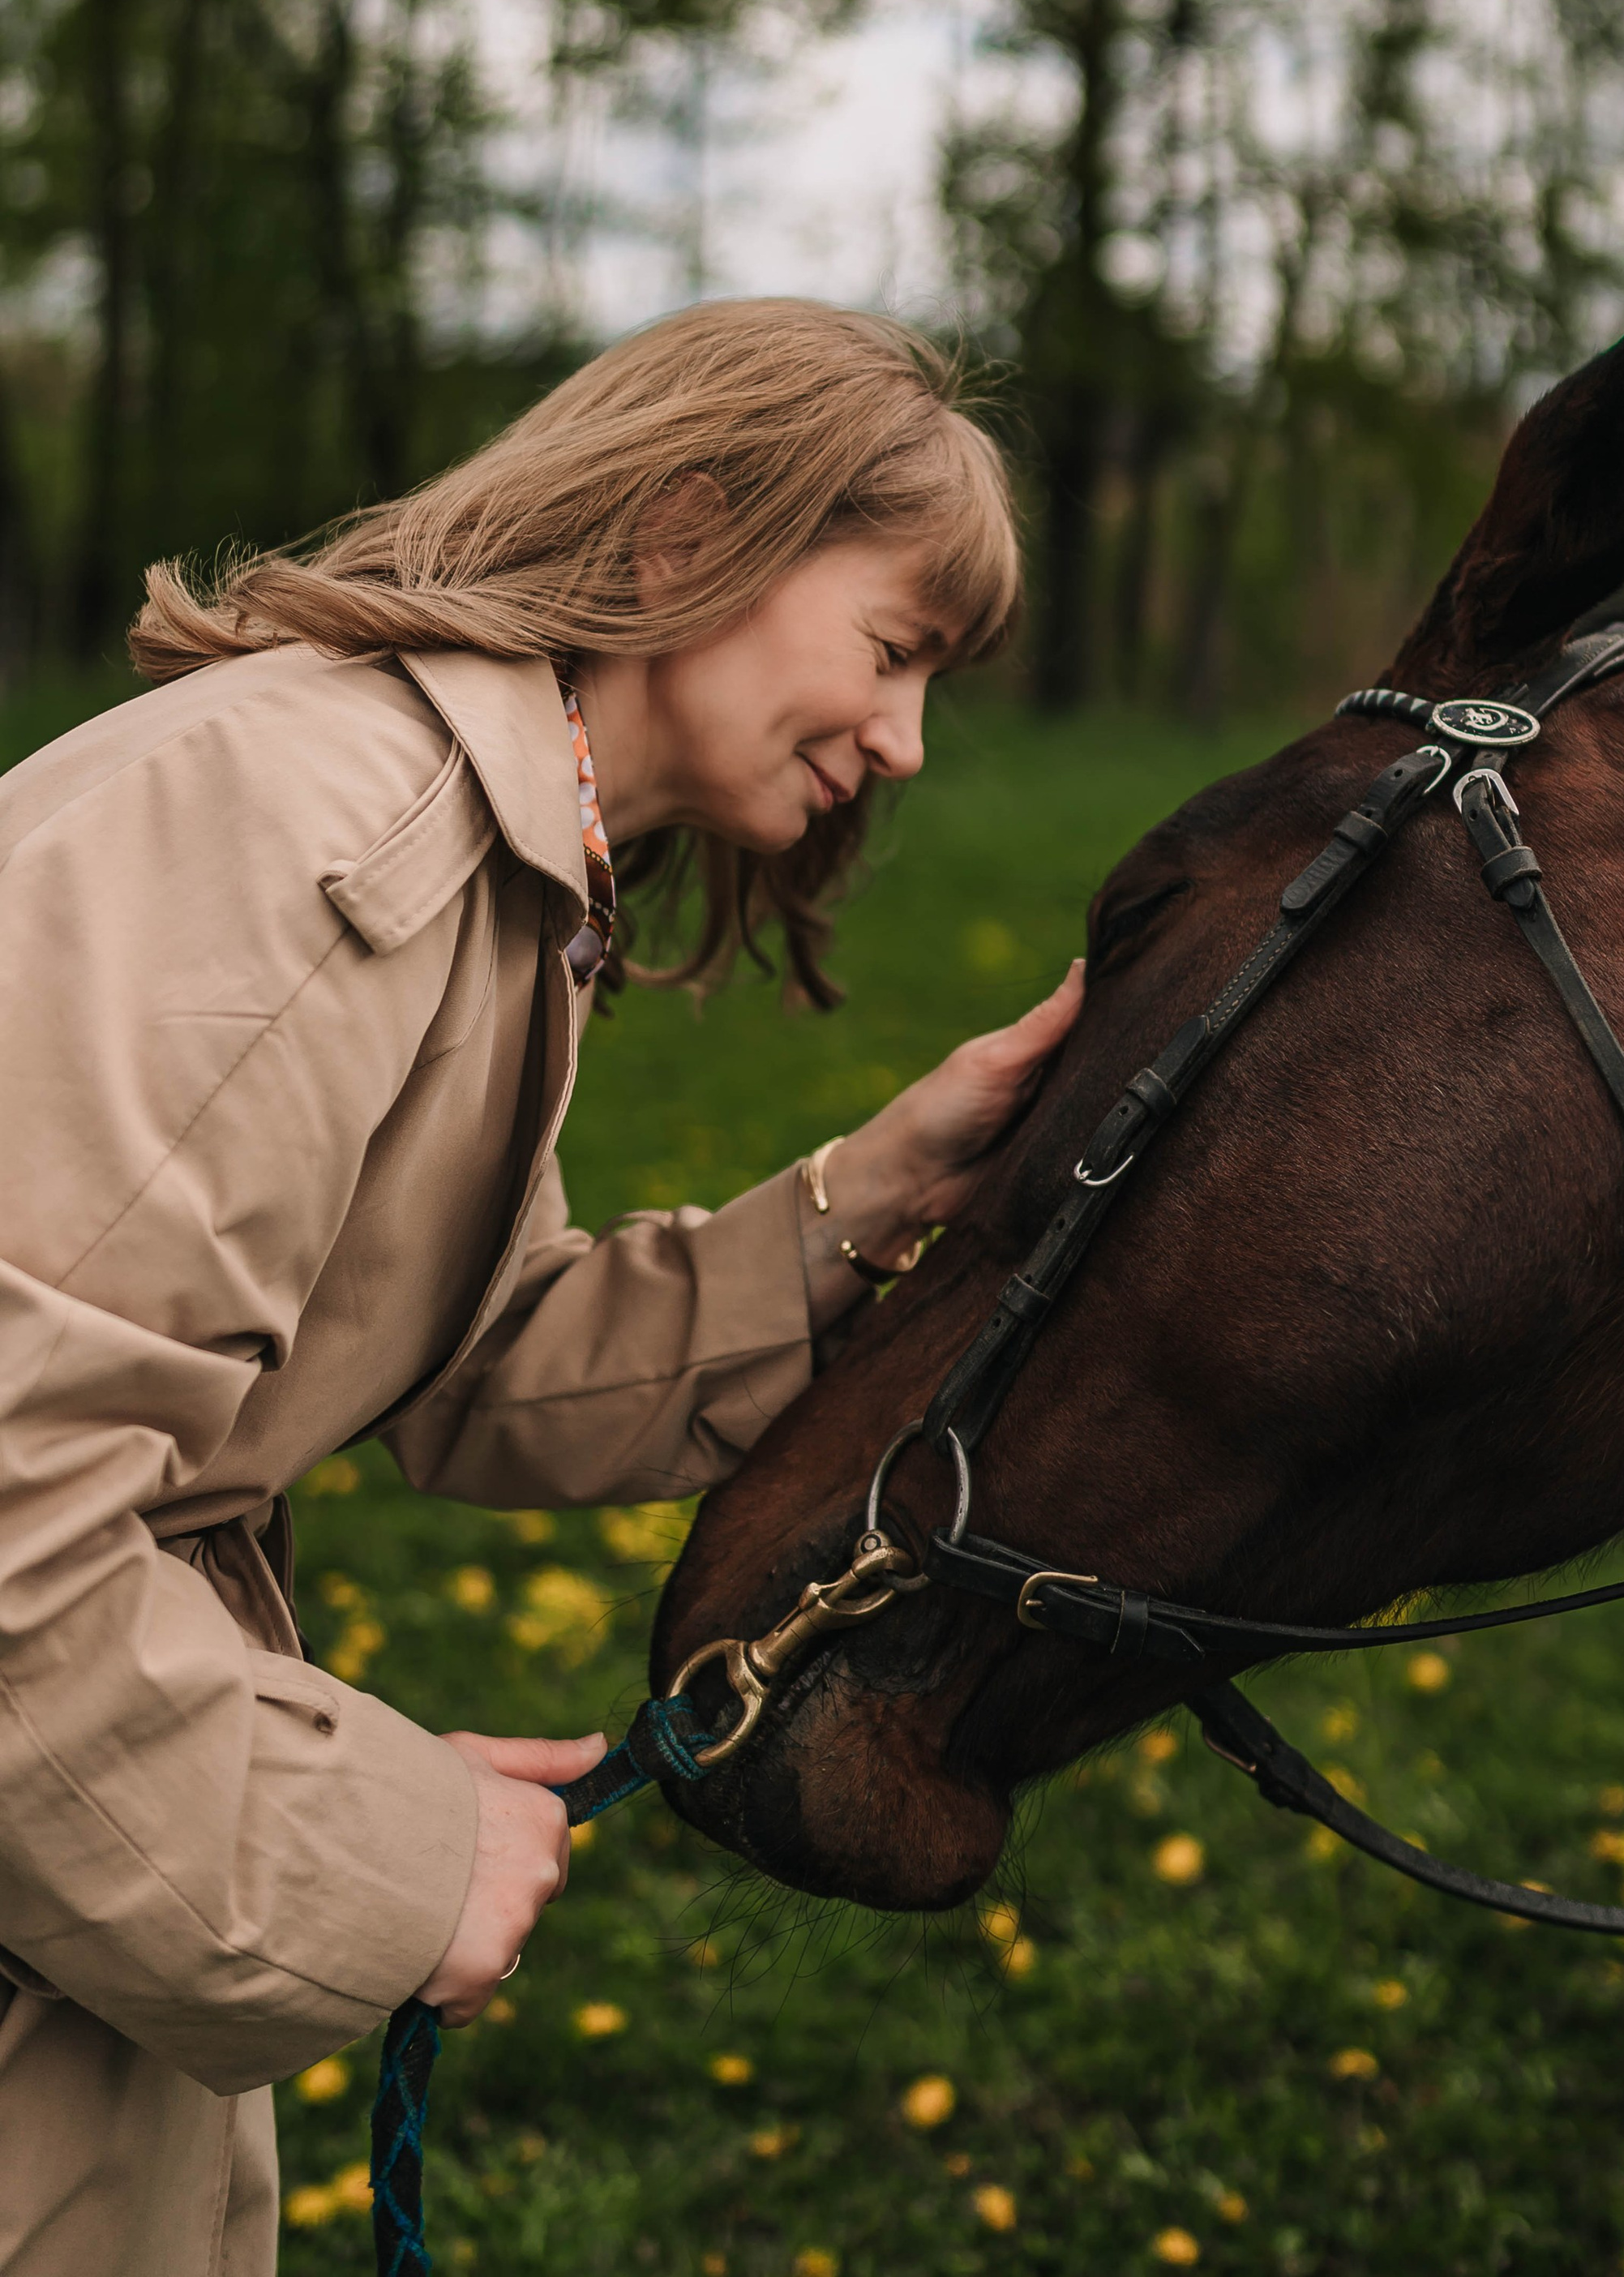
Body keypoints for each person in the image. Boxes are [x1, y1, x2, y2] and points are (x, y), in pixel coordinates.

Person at [0, 301, 1082, 2277]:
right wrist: (373, 1852)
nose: (905, 743)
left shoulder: (471, 860)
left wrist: (877, 1188)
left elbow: (461, 1357)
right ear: (689, 538)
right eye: (891, 649)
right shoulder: (323, 839)